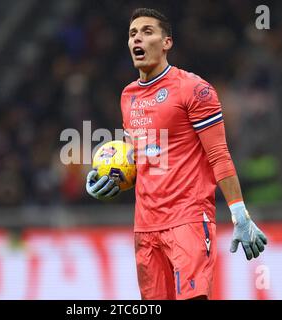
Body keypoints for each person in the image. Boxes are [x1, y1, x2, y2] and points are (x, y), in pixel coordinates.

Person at [86, 8, 267, 300]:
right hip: (145, 227)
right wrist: (109, 179)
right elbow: (142, 158)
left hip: (188, 220)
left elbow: (218, 154)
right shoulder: (128, 96)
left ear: (167, 42)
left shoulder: (194, 90)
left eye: (147, 31)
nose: (138, 39)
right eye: (133, 33)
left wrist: (239, 214)